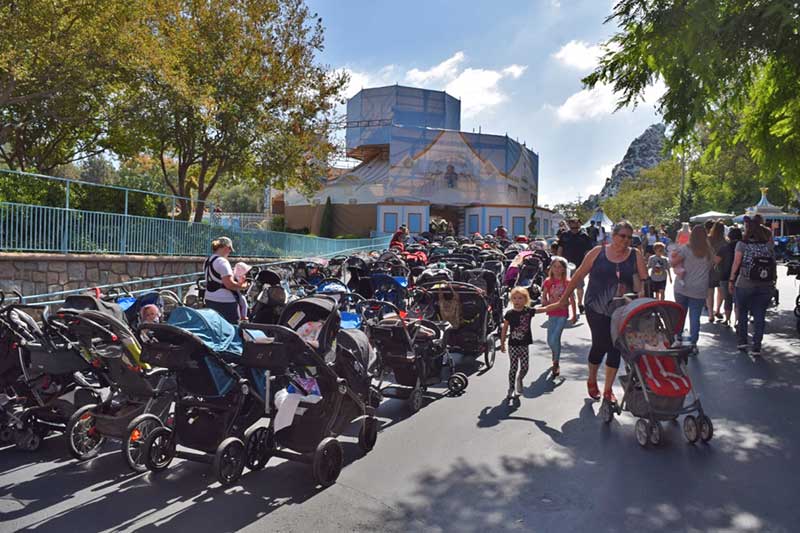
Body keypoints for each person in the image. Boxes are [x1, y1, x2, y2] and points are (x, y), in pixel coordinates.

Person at [556, 221, 648, 402]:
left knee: (616, 348)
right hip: (595, 306)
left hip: (622, 309)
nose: (626, 240)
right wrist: (564, 298)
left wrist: (641, 296)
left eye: (629, 237)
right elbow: (579, 275)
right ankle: (592, 378)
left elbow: (642, 280)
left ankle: (607, 390)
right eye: (622, 236)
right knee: (600, 344)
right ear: (613, 236)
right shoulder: (597, 252)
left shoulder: (635, 255)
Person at [730, 219, 775, 355]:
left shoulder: (742, 244)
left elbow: (736, 263)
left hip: (745, 283)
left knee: (742, 312)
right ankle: (757, 346)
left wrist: (732, 280)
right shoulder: (768, 246)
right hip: (765, 285)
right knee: (760, 314)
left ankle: (743, 341)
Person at [671, 225, 713, 355]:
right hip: (700, 288)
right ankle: (693, 344)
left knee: (680, 313)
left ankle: (678, 338)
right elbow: (712, 264)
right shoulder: (709, 251)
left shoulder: (685, 249)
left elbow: (673, 263)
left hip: (683, 286)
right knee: (695, 317)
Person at [541, 256, 577, 378]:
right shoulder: (548, 281)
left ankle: (556, 362)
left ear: (564, 269)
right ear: (551, 268)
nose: (557, 269)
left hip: (562, 313)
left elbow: (572, 299)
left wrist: (574, 314)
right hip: (551, 312)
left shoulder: (567, 282)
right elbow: (544, 294)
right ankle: (555, 354)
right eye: (554, 266)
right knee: (550, 340)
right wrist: (544, 301)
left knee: (554, 338)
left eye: (560, 267)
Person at [204, 237, 248, 324]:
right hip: (224, 301)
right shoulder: (222, 262)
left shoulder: (208, 261)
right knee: (232, 327)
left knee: (215, 325)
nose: (230, 252)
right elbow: (229, 285)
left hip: (209, 298)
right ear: (226, 247)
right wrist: (243, 286)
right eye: (230, 249)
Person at [557, 217, 595, 314]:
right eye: (572, 224)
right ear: (569, 225)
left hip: (579, 265)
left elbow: (588, 252)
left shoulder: (584, 236)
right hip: (566, 265)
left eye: (576, 225)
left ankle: (580, 304)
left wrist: (589, 265)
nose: (574, 227)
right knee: (565, 285)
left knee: (579, 286)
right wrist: (558, 261)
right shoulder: (564, 236)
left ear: (579, 225)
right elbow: (560, 249)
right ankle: (568, 302)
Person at [715, 226, 742, 327]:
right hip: (740, 277)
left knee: (728, 298)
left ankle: (727, 319)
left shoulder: (724, 248)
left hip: (725, 276)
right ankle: (738, 321)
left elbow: (716, 261)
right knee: (738, 300)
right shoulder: (743, 247)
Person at [707, 220, 727, 322]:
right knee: (721, 291)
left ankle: (710, 314)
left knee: (710, 291)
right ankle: (718, 310)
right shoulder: (726, 241)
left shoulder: (708, 239)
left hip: (709, 267)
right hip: (722, 268)